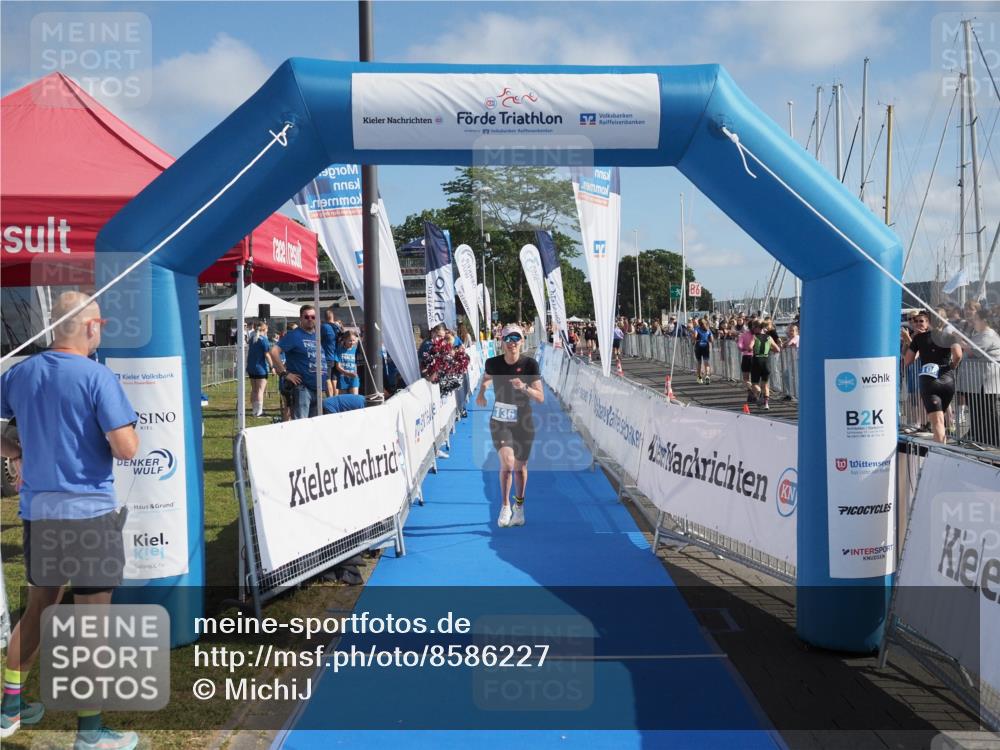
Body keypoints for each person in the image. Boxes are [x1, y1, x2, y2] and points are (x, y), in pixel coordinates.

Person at [0, 291, 140, 749]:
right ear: (90, 326)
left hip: (39, 516)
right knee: (92, 624)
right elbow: (127, 448)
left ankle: (10, 709)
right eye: (100, 325)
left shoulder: (20, 373)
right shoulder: (97, 376)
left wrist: (15, 451)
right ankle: (90, 732)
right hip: (89, 516)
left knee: (38, 609)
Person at [476, 324, 544, 528]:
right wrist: (482, 392)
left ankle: (519, 507)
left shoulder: (530, 364)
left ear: (522, 341)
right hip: (500, 420)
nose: (512, 342)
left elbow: (540, 397)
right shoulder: (493, 363)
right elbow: (486, 378)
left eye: (516, 338)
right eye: (508, 338)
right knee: (507, 463)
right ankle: (505, 506)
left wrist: (523, 387)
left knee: (520, 468)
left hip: (524, 421)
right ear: (502, 341)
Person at [903, 310, 962, 444]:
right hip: (947, 380)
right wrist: (952, 365)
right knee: (942, 418)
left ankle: (940, 450)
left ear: (929, 321)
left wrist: (912, 344)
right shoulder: (950, 337)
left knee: (938, 422)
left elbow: (908, 360)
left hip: (929, 381)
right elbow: (958, 355)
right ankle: (943, 445)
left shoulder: (919, 338)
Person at [269, 305, 327, 419]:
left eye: (313, 317)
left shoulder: (316, 336)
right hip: (303, 389)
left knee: (316, 424)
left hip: (318, 388)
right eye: (306, 317)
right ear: (301, 318)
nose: (310, 319)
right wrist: (285, 373)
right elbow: (274, 351)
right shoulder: (294, 335)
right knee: (301, 424)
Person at [956, 308, 999, 445]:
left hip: (984, 383)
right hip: (976, 382)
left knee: (987, 410)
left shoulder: (988, 335)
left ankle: (994, 438)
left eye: (976, 319)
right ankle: (978, 435)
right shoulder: (980, 334)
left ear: (984, 321)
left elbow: (974, 352)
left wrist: (959, 340)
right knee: (976, 410)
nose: (973, 322)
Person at [749, 320, 781, 410]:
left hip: (756, 361)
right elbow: (777, 349)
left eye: (754, 327)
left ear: (757, 328)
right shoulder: (769, 338)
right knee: (765, 385)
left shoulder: (754, 337)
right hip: (766, 362)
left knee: (754, 384)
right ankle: (766, 404)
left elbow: (749, 347)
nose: (753, 329)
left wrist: (750, 348)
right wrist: (769, 348)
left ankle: (759, 393)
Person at [245, 319, 272, 417]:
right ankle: (259, 412)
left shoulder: (252, 339)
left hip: (251, 367)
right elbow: (267, 355)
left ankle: (254, 410)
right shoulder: (264, 340)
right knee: (260, 390)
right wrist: (272, 366)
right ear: (264, 329)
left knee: (254, 390)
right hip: (260, 368)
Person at [321, 308, 342, 398]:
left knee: (327, 378)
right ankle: (335, 398)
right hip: (336, 357)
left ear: (325, 317)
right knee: (334, 378)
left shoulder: (324, 327)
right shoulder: (338, 327)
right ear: (333, 317)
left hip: (327, 357)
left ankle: (330, 399)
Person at [333, 329, 361, 396]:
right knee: (344, 400)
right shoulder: (339, 350)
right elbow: (338, 367)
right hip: (342, 379)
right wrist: (348, 373)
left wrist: (354, 373)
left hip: (353, 378)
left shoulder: (355, 350)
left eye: (353, 340)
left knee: (354, 398)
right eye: (350, 340)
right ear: (345, 340)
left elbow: (356, 363)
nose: (352, 343)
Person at [692, 317, 714, 384]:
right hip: (706, 346)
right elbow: (712, 340)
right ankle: (707, 376)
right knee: (706, 362)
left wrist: (693, 341)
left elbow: (695, 336)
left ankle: (699, 378)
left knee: (699, 363)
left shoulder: (697, 329)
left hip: (698, 346)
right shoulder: (708, 330)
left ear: (699, 323)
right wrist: (707, 339)